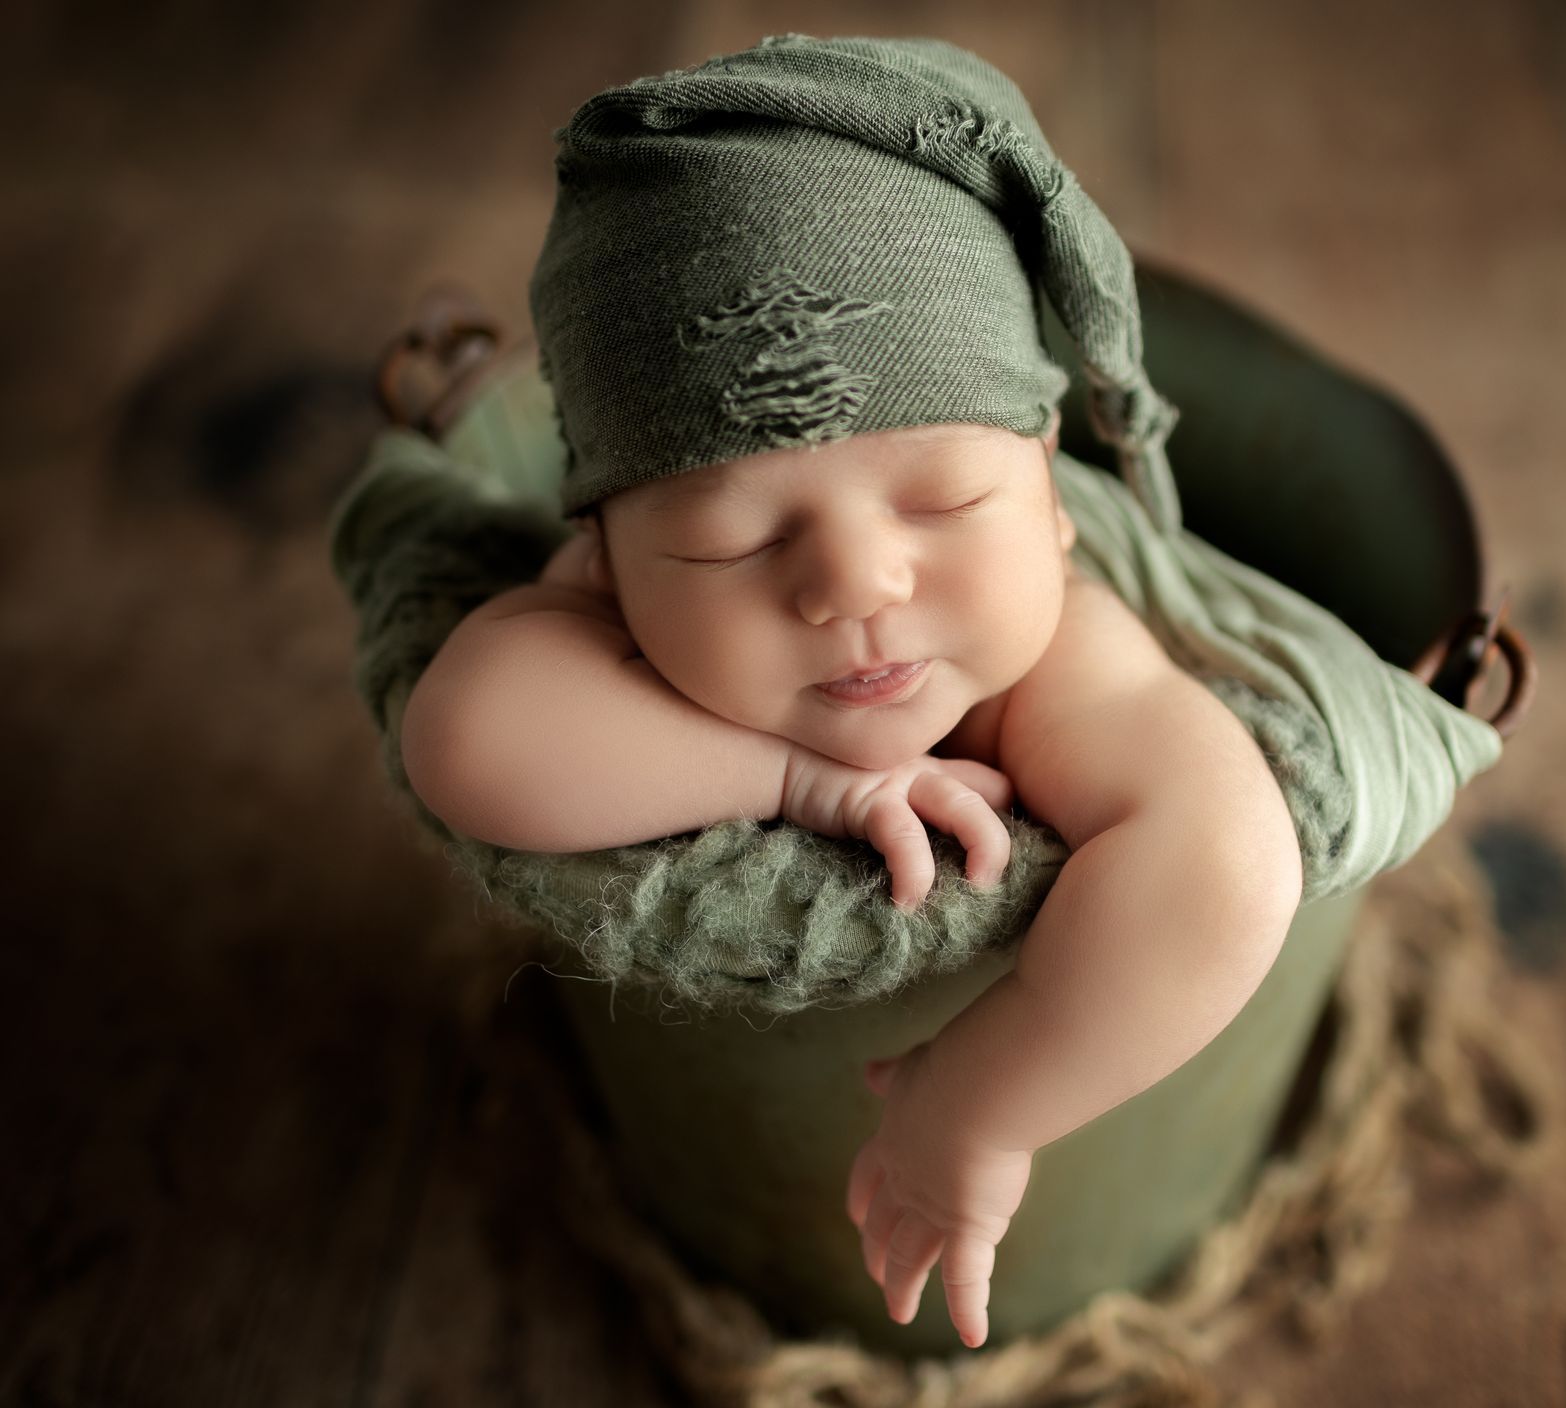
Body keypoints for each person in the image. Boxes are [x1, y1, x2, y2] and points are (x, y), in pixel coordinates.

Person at [398, 34, 1304, 1351]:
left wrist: (978, 1106)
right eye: (733, 539)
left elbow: (1224, 863)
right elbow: (468, 738)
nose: (855, 583)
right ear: (603, 550)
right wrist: (801, 778)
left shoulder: (1056, 652)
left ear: (1050, 490)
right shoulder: (607, 605)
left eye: (947, 500)